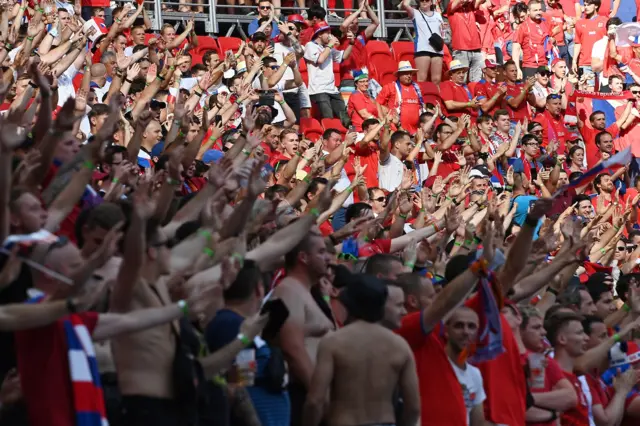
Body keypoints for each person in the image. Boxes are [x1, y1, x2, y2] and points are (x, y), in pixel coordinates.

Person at [303, 275, 420, 426]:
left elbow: (315, 401)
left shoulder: (333, 342)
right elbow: (414, 407)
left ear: (347, 304)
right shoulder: (400, 346)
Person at [304, 21, 354, 127]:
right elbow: (320, 59)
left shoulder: (328, 48)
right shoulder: (310, 45)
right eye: (327, 32)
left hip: (332, 89)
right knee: (328, 119)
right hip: (318, 90)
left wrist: (351, 43)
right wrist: (330, 45)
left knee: (345, 119)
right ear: (320, 33)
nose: (330, 36)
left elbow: (343, 56)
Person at [401, 0, 444, 83]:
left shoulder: (438, 14)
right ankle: (421, 96)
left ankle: (435, 96)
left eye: (427, 0)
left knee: (437, 80)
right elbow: (405, 4)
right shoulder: (415, 13)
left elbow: (442, 31)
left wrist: (444, 29)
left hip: (437, 49)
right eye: (421, 0)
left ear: (431, 2)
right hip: (422, 48)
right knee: (422, 79)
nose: (424, 2)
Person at [376, 61, 424, 135]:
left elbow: (421, 104)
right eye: (406, 73)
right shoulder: (390, 87)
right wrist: (382, 119)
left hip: (415, 130)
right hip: (396, 129)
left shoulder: (417, 88)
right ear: (399, 75)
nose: (409, 76)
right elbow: (378, 102)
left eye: (410, 73)